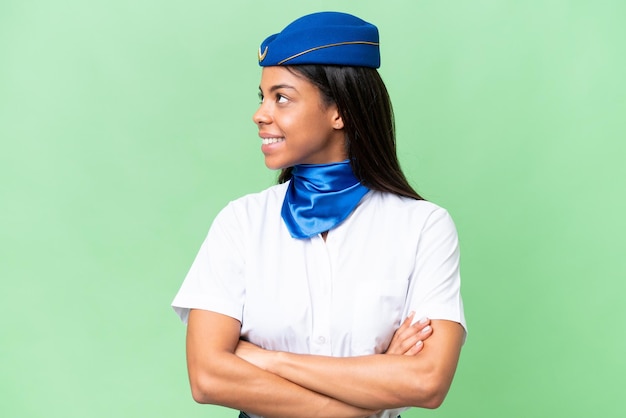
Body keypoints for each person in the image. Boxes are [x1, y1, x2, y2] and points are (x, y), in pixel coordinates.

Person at [172, 11, 466, 418]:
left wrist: (267, 360)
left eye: (282, 97)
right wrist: (365, 399)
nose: (261, 114)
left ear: (339, 111)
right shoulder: (241, 223)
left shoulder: (423, 227)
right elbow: (208, 377)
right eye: (263, 97)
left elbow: (426, 382)